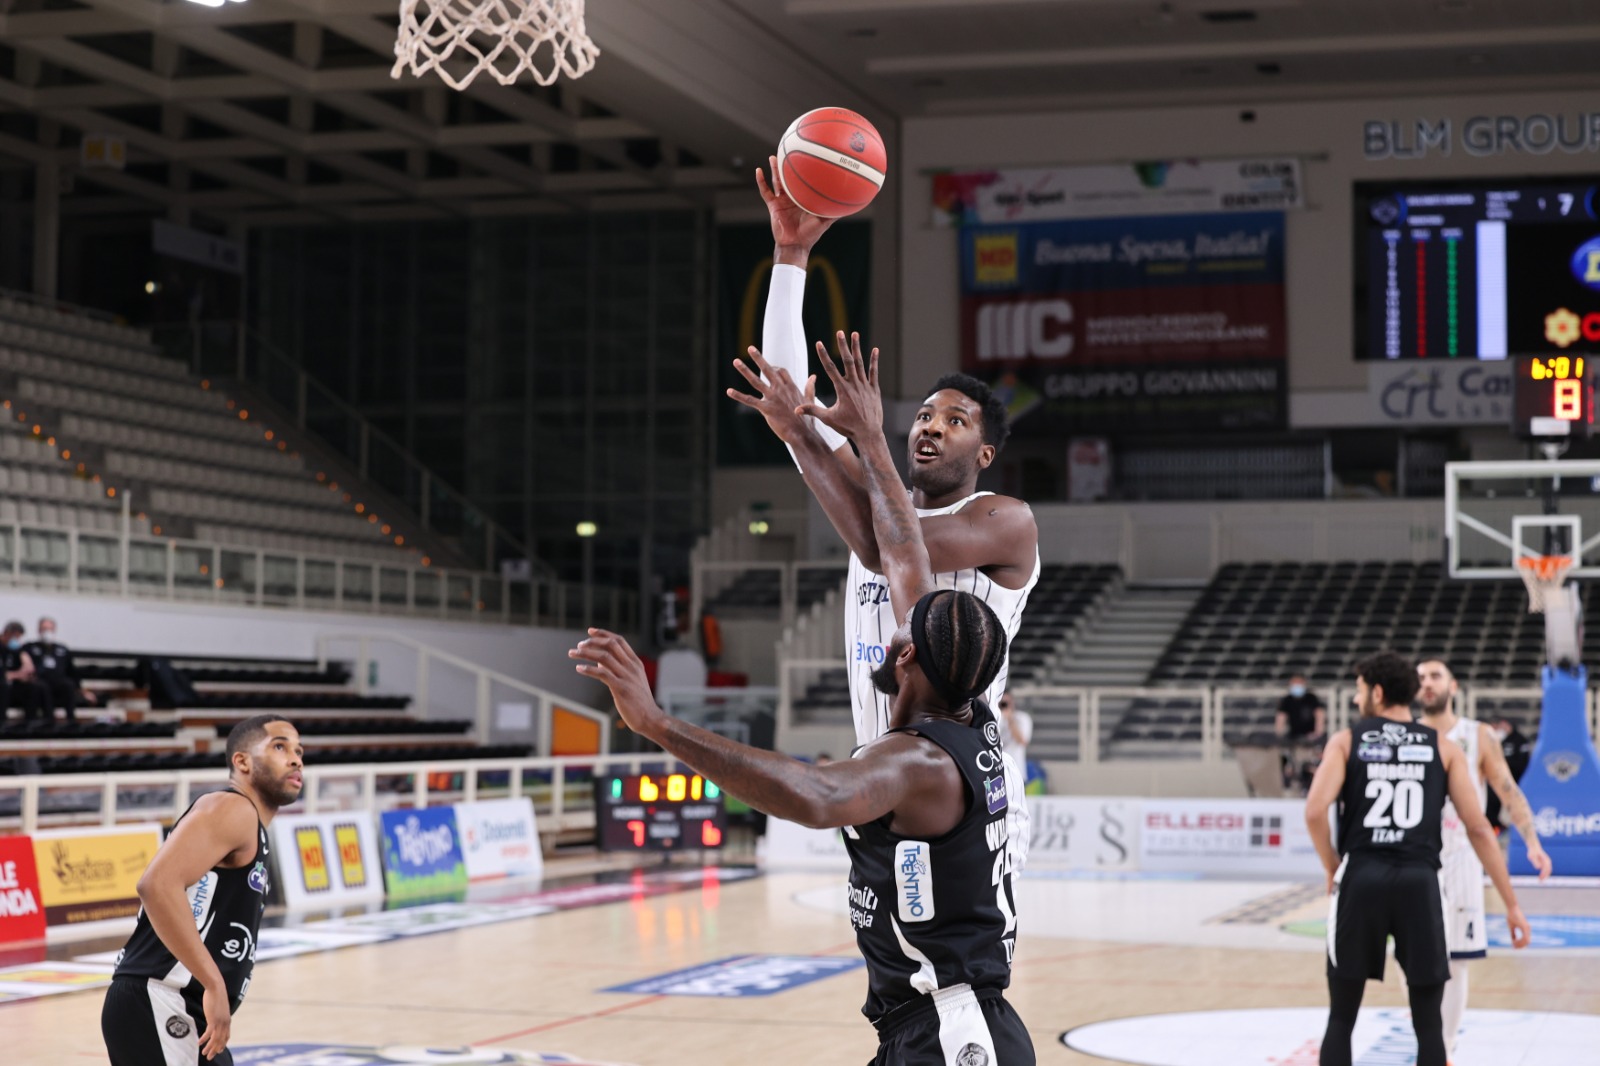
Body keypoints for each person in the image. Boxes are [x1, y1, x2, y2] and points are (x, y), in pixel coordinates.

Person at [575, 337, 1032, 1065]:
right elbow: (901, 556)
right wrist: (803, 433)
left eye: (900, 630)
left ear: (906, 657)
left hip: (952, 1036)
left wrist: (656, 723)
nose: (890, 627)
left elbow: (816, 794)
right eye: (927, 415)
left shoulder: (923, 762)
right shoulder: (962, 713)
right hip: (932, 1025)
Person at [729, 160, 1039, 870]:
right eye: (924, 414)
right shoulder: (875, 500)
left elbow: (889, 550)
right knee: (885, 957)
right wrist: (790, 255)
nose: (931, 426)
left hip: (962, 786)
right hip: (881, 775)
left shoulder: (1004, 520)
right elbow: (789, 390)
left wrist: (825, 440)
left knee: (966, 957)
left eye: (956, 421)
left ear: (985, 453)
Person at [1304, 652, 1530, 1066]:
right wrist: (1512, 904)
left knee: (1341, 1017)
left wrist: (1331, 865)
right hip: (1420, 882)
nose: (1355, 700)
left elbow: (1315, 811)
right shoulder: (1443, 747)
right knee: (1429, 1024)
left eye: (1358, 691)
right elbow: (1480, 828)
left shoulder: (1347, 740)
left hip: (1362, 878)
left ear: (1377, 692)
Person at [103, 715, 303, 1066]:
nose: (296, 759)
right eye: (279, 747)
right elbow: (156, 884)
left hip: (176, 1004)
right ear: (242, 761)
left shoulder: (250, 826)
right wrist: (214, 983)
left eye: (299, 751)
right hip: (161, 996)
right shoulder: (233, 808)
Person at [1415, 658, 1552, 1058]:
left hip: (1461, 854)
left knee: (1457, 960)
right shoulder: (1406, 733)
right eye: (1420, 678)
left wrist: (1532, 840)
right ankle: (1429, 1039)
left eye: (1435, 676)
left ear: (1453, 686)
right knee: (1417, 963)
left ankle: (1444, 1048)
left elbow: (1508, 790)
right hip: (1414, 858)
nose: (1427, 683)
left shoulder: (1477, 735)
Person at [24, 616, 96, 721]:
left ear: (54, 631)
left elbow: (72, 672)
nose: (47, 632)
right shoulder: (29, 648)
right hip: (39, 682)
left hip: (58, 683)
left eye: (50, 629)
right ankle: (48, 720)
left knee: (68, 684)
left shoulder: (62, 649)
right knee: (42, 687)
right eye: (44, 629)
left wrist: (84, 692)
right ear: (39, 630)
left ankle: (71, 720)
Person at [1486, 715, 1534, 828]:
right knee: (1490, 800)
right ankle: (1495, 826)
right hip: (1499, 780)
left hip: (1517, 780)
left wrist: (1504, 762)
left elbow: (1522, 764)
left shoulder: (1521, 741)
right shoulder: (1498, 741)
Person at [1, 619, 51, 722]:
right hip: (3, 685)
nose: (16, 639)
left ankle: (32, 722)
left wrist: (24, 657)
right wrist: (16, 675)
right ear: (6, 633)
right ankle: (2, 722)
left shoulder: (18, 650)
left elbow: (29, 669)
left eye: (18, 637)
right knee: (3, 686)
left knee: (36, 687)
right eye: (14, 636)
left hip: (14, 685)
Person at [1276, 673, 1325, 740]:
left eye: (1299, 683)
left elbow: (1319, 714)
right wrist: (1280, 734)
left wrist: (1318, 732)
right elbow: (1281, 717)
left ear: (1304, 684)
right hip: (1293, 734)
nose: (1297, 686)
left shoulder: (1311, 698)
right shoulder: (1287, 700)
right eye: (1295, 683)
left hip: (1310, 734)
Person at [998, 692, 1032, 773]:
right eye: (1003, 703)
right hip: (999, 768)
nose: (1005, 706)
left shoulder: (1022, 718)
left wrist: (1010, 719)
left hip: (1016, 768)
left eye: (1007, 703)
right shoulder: (997, 718)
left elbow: (1022, 741)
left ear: (1012, 702)